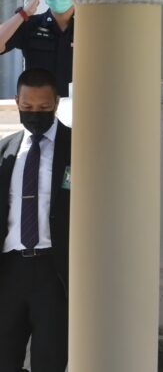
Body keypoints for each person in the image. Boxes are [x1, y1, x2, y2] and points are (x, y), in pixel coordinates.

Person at [0, 68, 71, 371]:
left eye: (43, 108)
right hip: (9, 271)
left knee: (50, 361)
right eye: (27, 108)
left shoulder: (78, 147)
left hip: (53, 272)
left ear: (56, 102)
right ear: (17, 101)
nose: (34, 114)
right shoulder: (5, 150)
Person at [0, 0, 75, 97]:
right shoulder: (31, 25)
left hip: (77, 109)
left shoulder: (87, 30)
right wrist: (24, 12)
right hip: (39, 110)